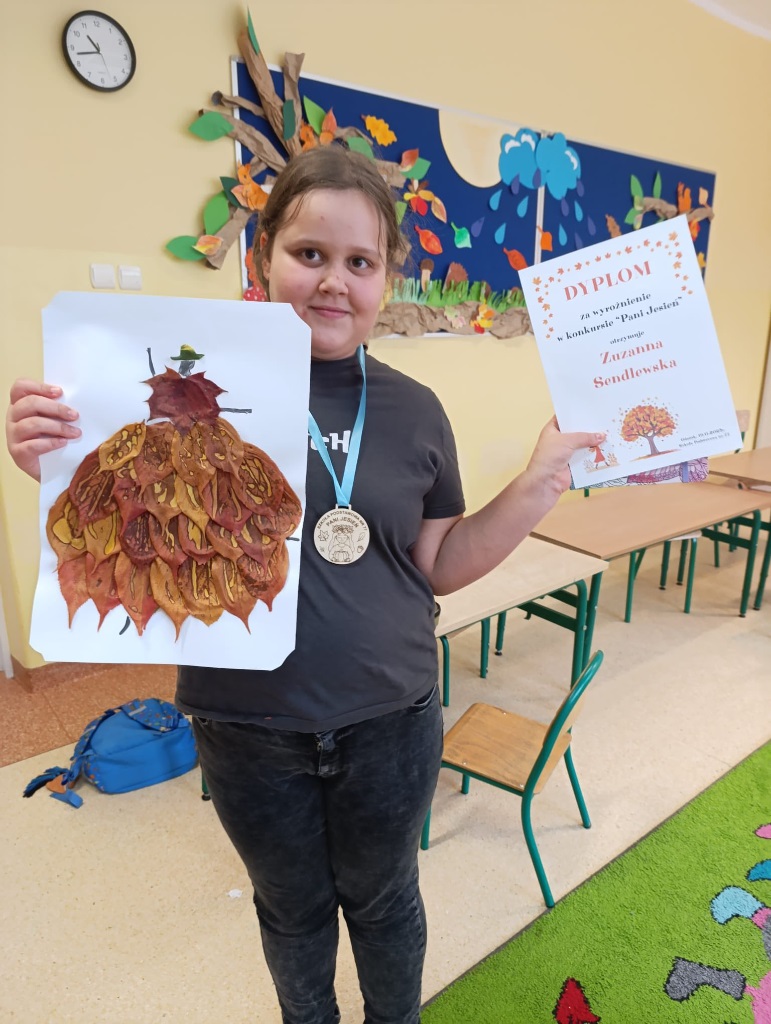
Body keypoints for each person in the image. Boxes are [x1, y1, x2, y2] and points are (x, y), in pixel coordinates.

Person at [6, 145, 604, 1024]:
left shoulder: (414, 410)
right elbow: (130, 524)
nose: (333, 281)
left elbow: (439, 564)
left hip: (389, 717)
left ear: (387, 278)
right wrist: (55, 465)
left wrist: (537, 482)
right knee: (290, 910)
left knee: (385, 900)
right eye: (310, 253)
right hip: (246, 725)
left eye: (360, 262)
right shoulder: (173, 397)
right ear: (264, 259)